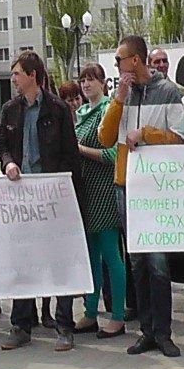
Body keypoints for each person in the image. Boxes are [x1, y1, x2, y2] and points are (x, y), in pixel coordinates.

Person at [99, 35, 184, 358]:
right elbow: (105, 138)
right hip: (127, 186)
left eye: (119, 60)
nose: (116, 66)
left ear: (135, 60)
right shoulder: (121, 95)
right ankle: (146, 332)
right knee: (137, 261)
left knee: (158, 263)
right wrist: (118, 100)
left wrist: (146, 134)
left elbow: (182, 139)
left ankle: (163, 333)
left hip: (156, 189)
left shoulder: (168, 92)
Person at [0, 50, 83, 352]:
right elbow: (1, 147)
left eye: (17, 74)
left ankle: (64, 326)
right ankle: (21, 325)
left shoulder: (58, 109)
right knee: (22, 262)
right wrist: (8, 163)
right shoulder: (10, 109)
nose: (14, 79)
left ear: (33, 75)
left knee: (59, 262)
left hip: (52, 200)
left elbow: (71, 155)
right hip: (21, 199)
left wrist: (66, 195)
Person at [71, 63, 126, 339]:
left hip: (105, 190)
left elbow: (113, 155)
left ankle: (117, 316)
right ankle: (90, 312)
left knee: (111, 255)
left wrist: (80, 150)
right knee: (91, 255)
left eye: (92, 79)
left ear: (103, 82)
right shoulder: (81, 113)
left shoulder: (108, 110)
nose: (86, 84)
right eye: (83, 80)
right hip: (85, 191)